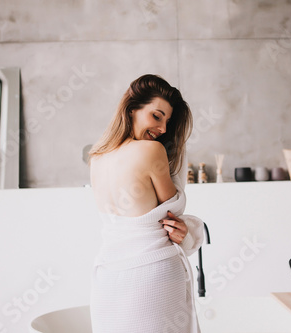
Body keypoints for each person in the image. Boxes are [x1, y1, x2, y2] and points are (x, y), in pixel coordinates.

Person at [88, 74, 204, 333]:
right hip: (152, 272)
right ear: (132, 110)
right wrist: (188, 228)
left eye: (167, 121)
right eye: (157, 115)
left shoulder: (97, 157)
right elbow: (172, 209)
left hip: (107, 276)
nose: (163, 129)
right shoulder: (152, 151)